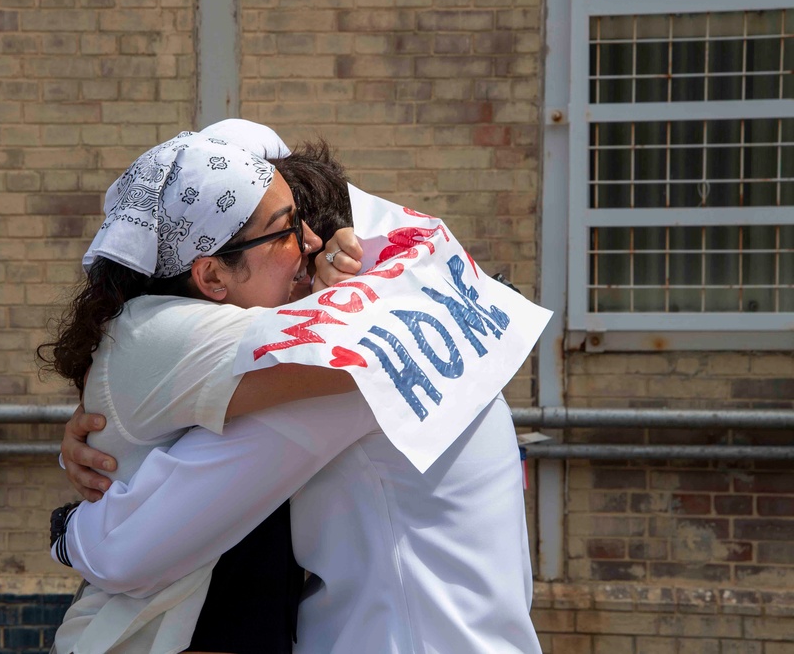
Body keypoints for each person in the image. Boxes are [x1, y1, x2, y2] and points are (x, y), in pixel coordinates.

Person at [51, 124, 542, 653]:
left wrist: (68, 526)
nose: (306, 247)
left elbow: (121, 550)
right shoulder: (356, 358)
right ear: (212, 274)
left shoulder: (345, 381)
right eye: (287, 233)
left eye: (307, 233)